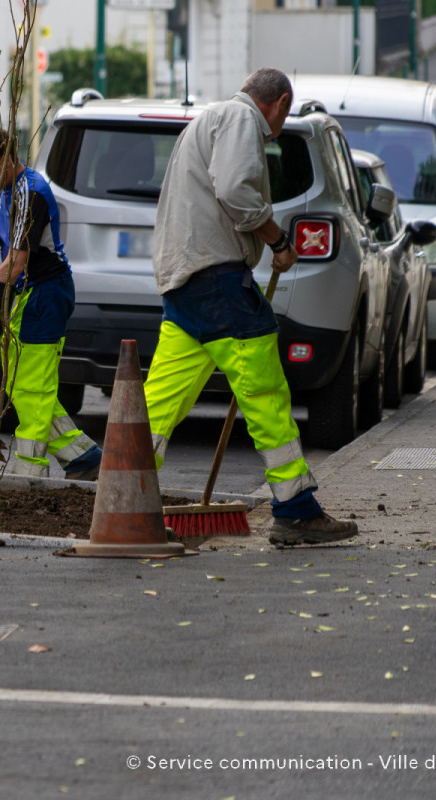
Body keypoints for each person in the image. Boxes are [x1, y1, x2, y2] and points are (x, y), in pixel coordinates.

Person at [142, 67, 358, 547]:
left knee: (157, 403)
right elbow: (236, 190)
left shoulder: (204, 122)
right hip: (219, 282)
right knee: (265, 392)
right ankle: (297, 511)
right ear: (278, 103)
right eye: (283, 116)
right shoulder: (241, 119)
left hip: (184, 284)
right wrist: (278, 239)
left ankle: (126, 495)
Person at [0, 125, 103, 481]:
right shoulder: (7, 189)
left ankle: (29, 477)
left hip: (45, 295)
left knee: (32, 387)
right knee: (23, 384)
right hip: (28, 295)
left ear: (6, 159)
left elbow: (15, 261)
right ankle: (84, 457)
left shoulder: (30, 193)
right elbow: (3, 236)